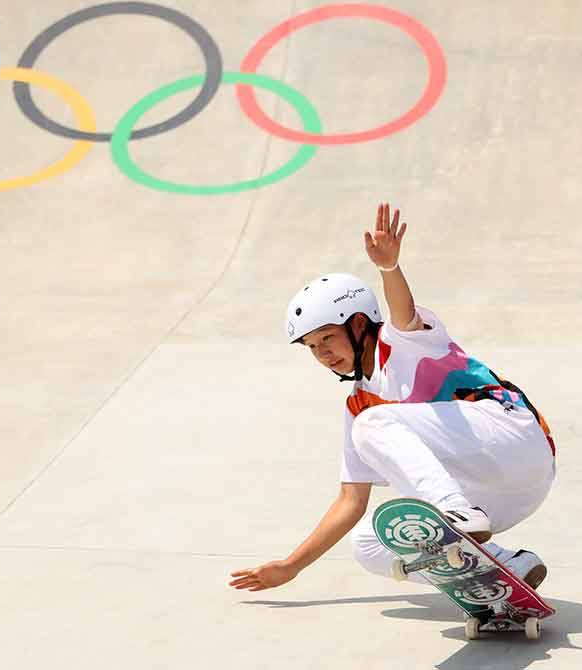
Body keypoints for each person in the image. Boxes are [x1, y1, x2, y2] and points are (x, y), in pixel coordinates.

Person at [229, 202, 556, 593]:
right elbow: (351, 501)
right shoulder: (358, 404)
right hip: (503, 495)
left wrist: (389, 268)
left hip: (515, 440)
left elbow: (402, 313)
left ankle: (456, 515)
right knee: (370, 544)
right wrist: (290, 567)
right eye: (312, 347)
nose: (322, 353)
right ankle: (504, 567)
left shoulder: (400, 344)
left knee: (372, 425)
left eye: (328, 338)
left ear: (359, 323)